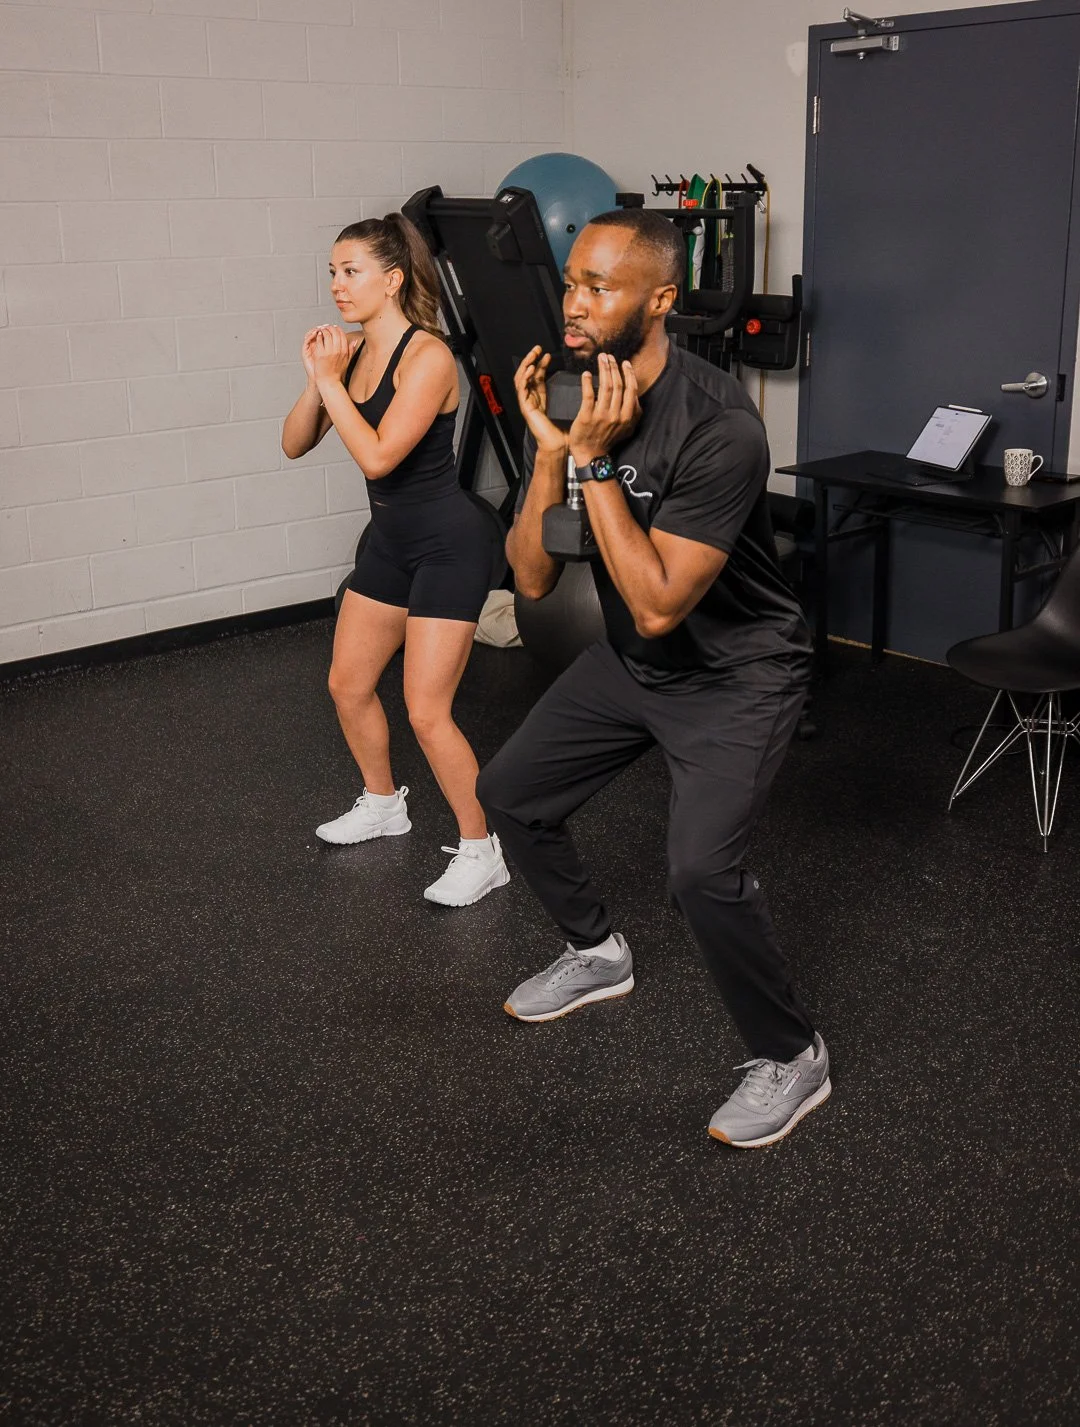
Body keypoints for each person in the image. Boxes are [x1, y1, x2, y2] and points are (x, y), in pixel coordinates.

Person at [476, 208, 830, 1148]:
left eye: (600, 287)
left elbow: (662, 600)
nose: (575, 303)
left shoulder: (720, 426)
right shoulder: (571, 391)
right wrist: (551, 458)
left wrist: (590, 459)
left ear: (662, 299)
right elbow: (535, 575)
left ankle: (792, 1054)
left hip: (738, 669)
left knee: (702, 873)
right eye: (572, 282)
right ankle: (596, 952)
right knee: (509, 791)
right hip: (637, 663)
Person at [282, 214, 509, 908]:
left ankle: (482, 848)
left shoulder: (429, 358)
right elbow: (293, 443)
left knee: (426, 711)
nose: (336, 285)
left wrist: (331, 380)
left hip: (450, 542)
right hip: (391, 542)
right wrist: (318, 377)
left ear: (392, 279)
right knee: (347, 684)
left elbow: (380, 453)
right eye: (331, 271)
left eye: (350, 271)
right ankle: (384, 803)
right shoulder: (347, 355)